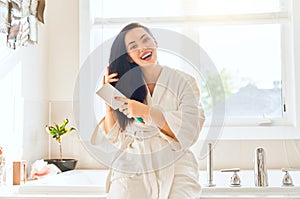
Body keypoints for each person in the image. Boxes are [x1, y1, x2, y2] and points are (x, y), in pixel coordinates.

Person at [98, 22, 205, 199]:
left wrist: (147, 112)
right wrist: (109, 99)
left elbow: (188, 131)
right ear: (129, 57)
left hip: (176, 161)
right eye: (133, 47)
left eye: (145, 40)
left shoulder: (185, 82)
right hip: (133, 163)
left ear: (155, 42)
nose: (142, 48)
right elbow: (116, 137)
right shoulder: (126, 88)